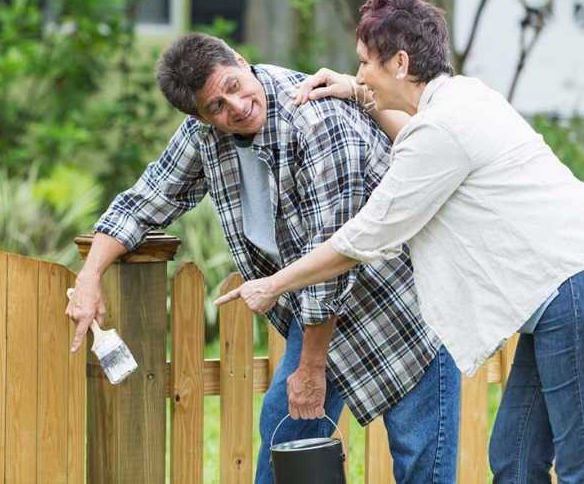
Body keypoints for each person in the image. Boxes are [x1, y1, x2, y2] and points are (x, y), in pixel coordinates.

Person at [217, 0, 584, 483]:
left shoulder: (444, 129)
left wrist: (274, 283)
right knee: (515, 460)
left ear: (401, 62)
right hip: (554, 298)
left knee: (576, 461)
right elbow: (415, 134)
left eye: (365, 62)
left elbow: (363, 238)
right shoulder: (460, 99)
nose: (361, 72)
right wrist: (353, 89)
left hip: (570, 290)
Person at [66, 32, 460, 484]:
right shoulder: (205, 134)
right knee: (284, 437)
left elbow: (331, 252)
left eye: (234, 85)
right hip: (320, 311)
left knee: (419, 461)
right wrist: (91, 274)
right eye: (215, 106)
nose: (234, 107)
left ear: (240, 59)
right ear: (199, 116)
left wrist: (310, 368)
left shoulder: (313, 118)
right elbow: (146, 199)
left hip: (404, 304)